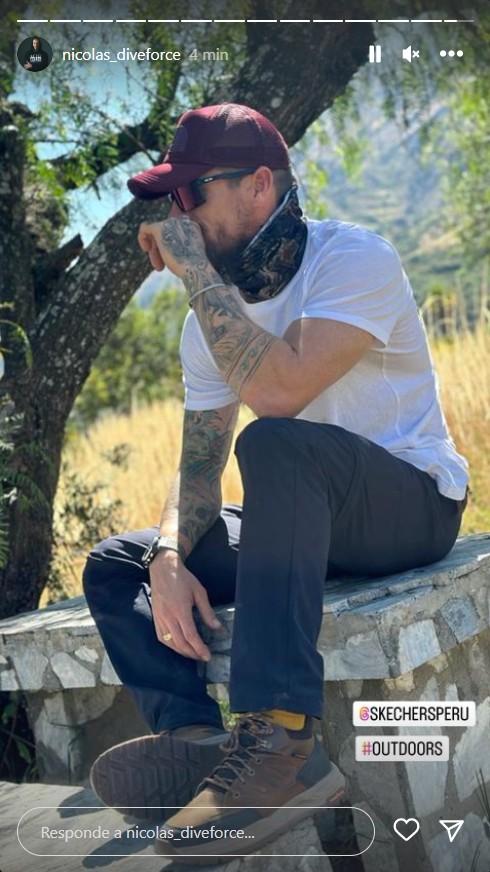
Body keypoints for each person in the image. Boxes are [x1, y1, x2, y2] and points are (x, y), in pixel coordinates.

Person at [82, 102, 469, 861]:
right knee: (121, 563)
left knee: (275, 443)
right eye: (170, 200)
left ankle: (281, 746)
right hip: (299, 520)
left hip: (411, 505)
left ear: (260, 185)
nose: (177, 215)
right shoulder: (209, 322)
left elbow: (282, 392)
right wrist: (169, 555)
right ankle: (200, 746)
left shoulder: (353, 259)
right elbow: (199, 469)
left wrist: (195, 273)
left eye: (191, 193)